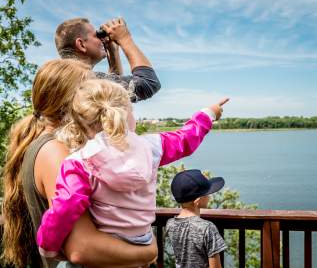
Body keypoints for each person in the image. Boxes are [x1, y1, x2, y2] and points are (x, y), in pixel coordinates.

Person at [36, 78, 229, 257]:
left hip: (107, 245)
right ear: (127, 116)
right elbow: (186, 139)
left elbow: (64, 208)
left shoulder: (80, 162)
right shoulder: (152, 147)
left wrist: (47, 246)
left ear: (80, 124)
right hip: (143, 240)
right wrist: (208, 113)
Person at [2, 59, 158, 268]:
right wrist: (148, 251)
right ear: (71, 102)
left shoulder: (46, 145)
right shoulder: (55, 152)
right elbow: (81, 248)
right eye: (90, 91)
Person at [55, 17, 161, 103]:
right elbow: (149, 83)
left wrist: (113, 51)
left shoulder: (63, 79)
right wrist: (125, 38)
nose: (102, 39)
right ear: (81, 44)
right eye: (97, 35)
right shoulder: (88, 81)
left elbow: (113, 90)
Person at [166, 169, 227, 268]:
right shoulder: (207, 228)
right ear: (197, 201)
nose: (209, 195)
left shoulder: (170, 224)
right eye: (207, 193)